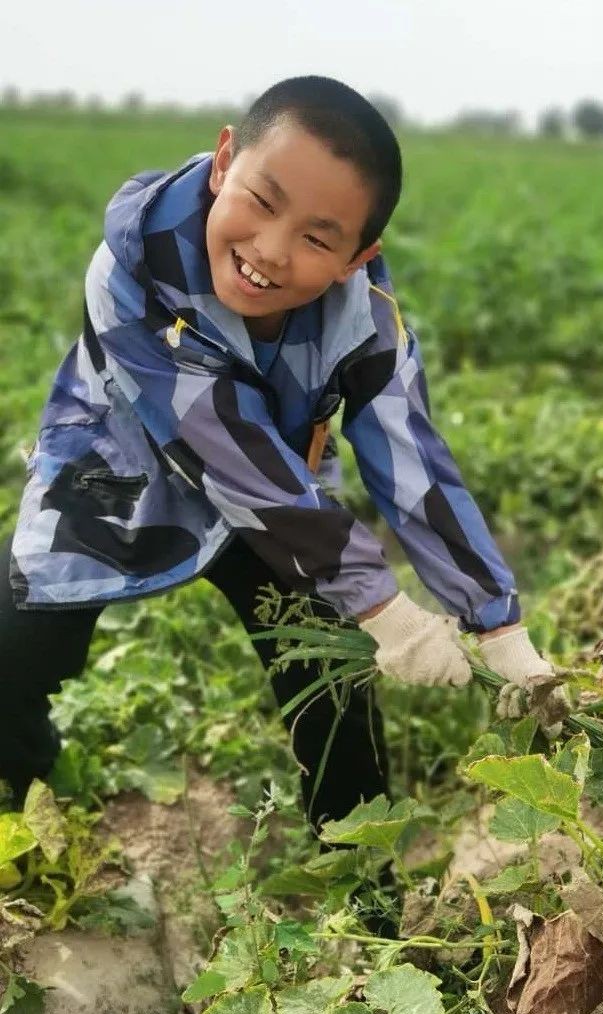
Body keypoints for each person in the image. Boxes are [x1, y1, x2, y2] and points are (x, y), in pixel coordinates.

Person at [0, 75, 559, 832]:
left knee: (327, 669)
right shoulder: (130, 268)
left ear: (358, 257)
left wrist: (497, 624)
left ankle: (356, 860)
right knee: (14, 651)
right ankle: (27, 793)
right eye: (262, 202)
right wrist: (383, 606)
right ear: (224, 161)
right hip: (117, 468)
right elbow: (223, 447)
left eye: (317, 239)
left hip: (281, 497)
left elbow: (412, 461)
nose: (269, 251)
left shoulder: (365, 323)